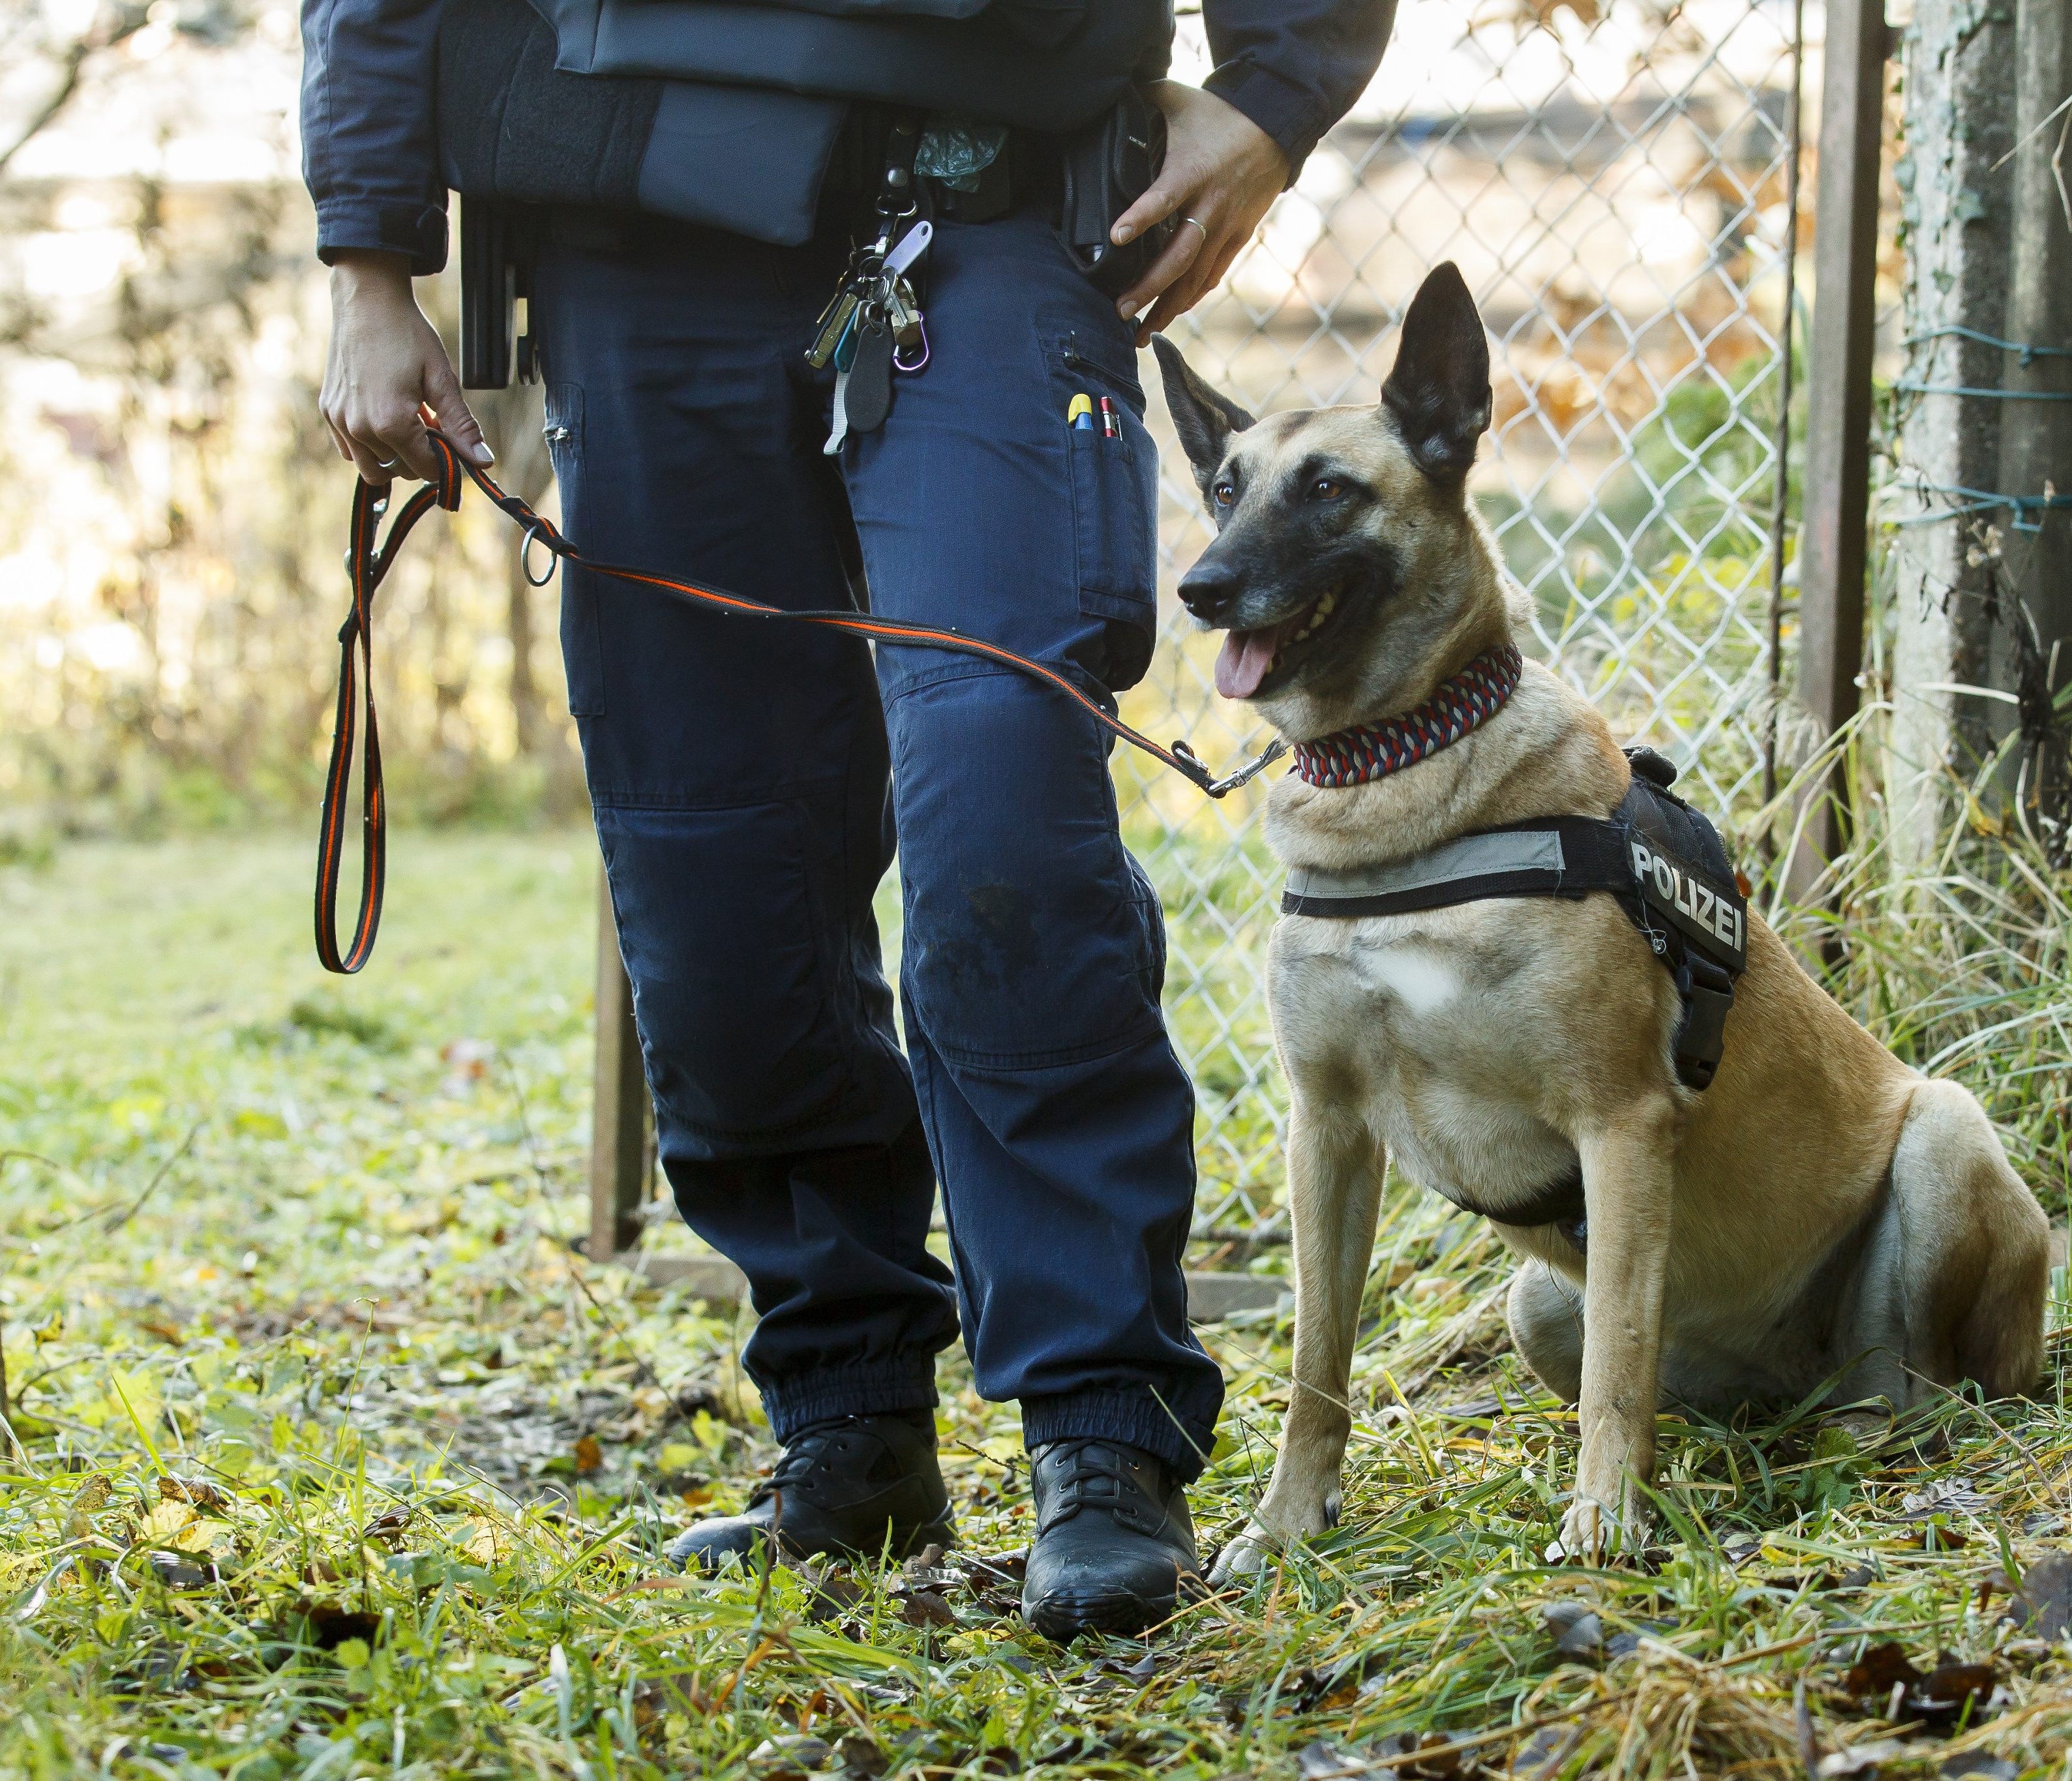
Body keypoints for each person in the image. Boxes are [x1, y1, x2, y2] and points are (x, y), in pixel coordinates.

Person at [300, 0, 1392, 1638]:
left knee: (1001, 809)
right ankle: (850, 1415)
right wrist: (369, 266)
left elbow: (1276, 68)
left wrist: (1277, 93)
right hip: (637, 236)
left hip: (984, 208)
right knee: (711, 854)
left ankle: (1102, 1438)